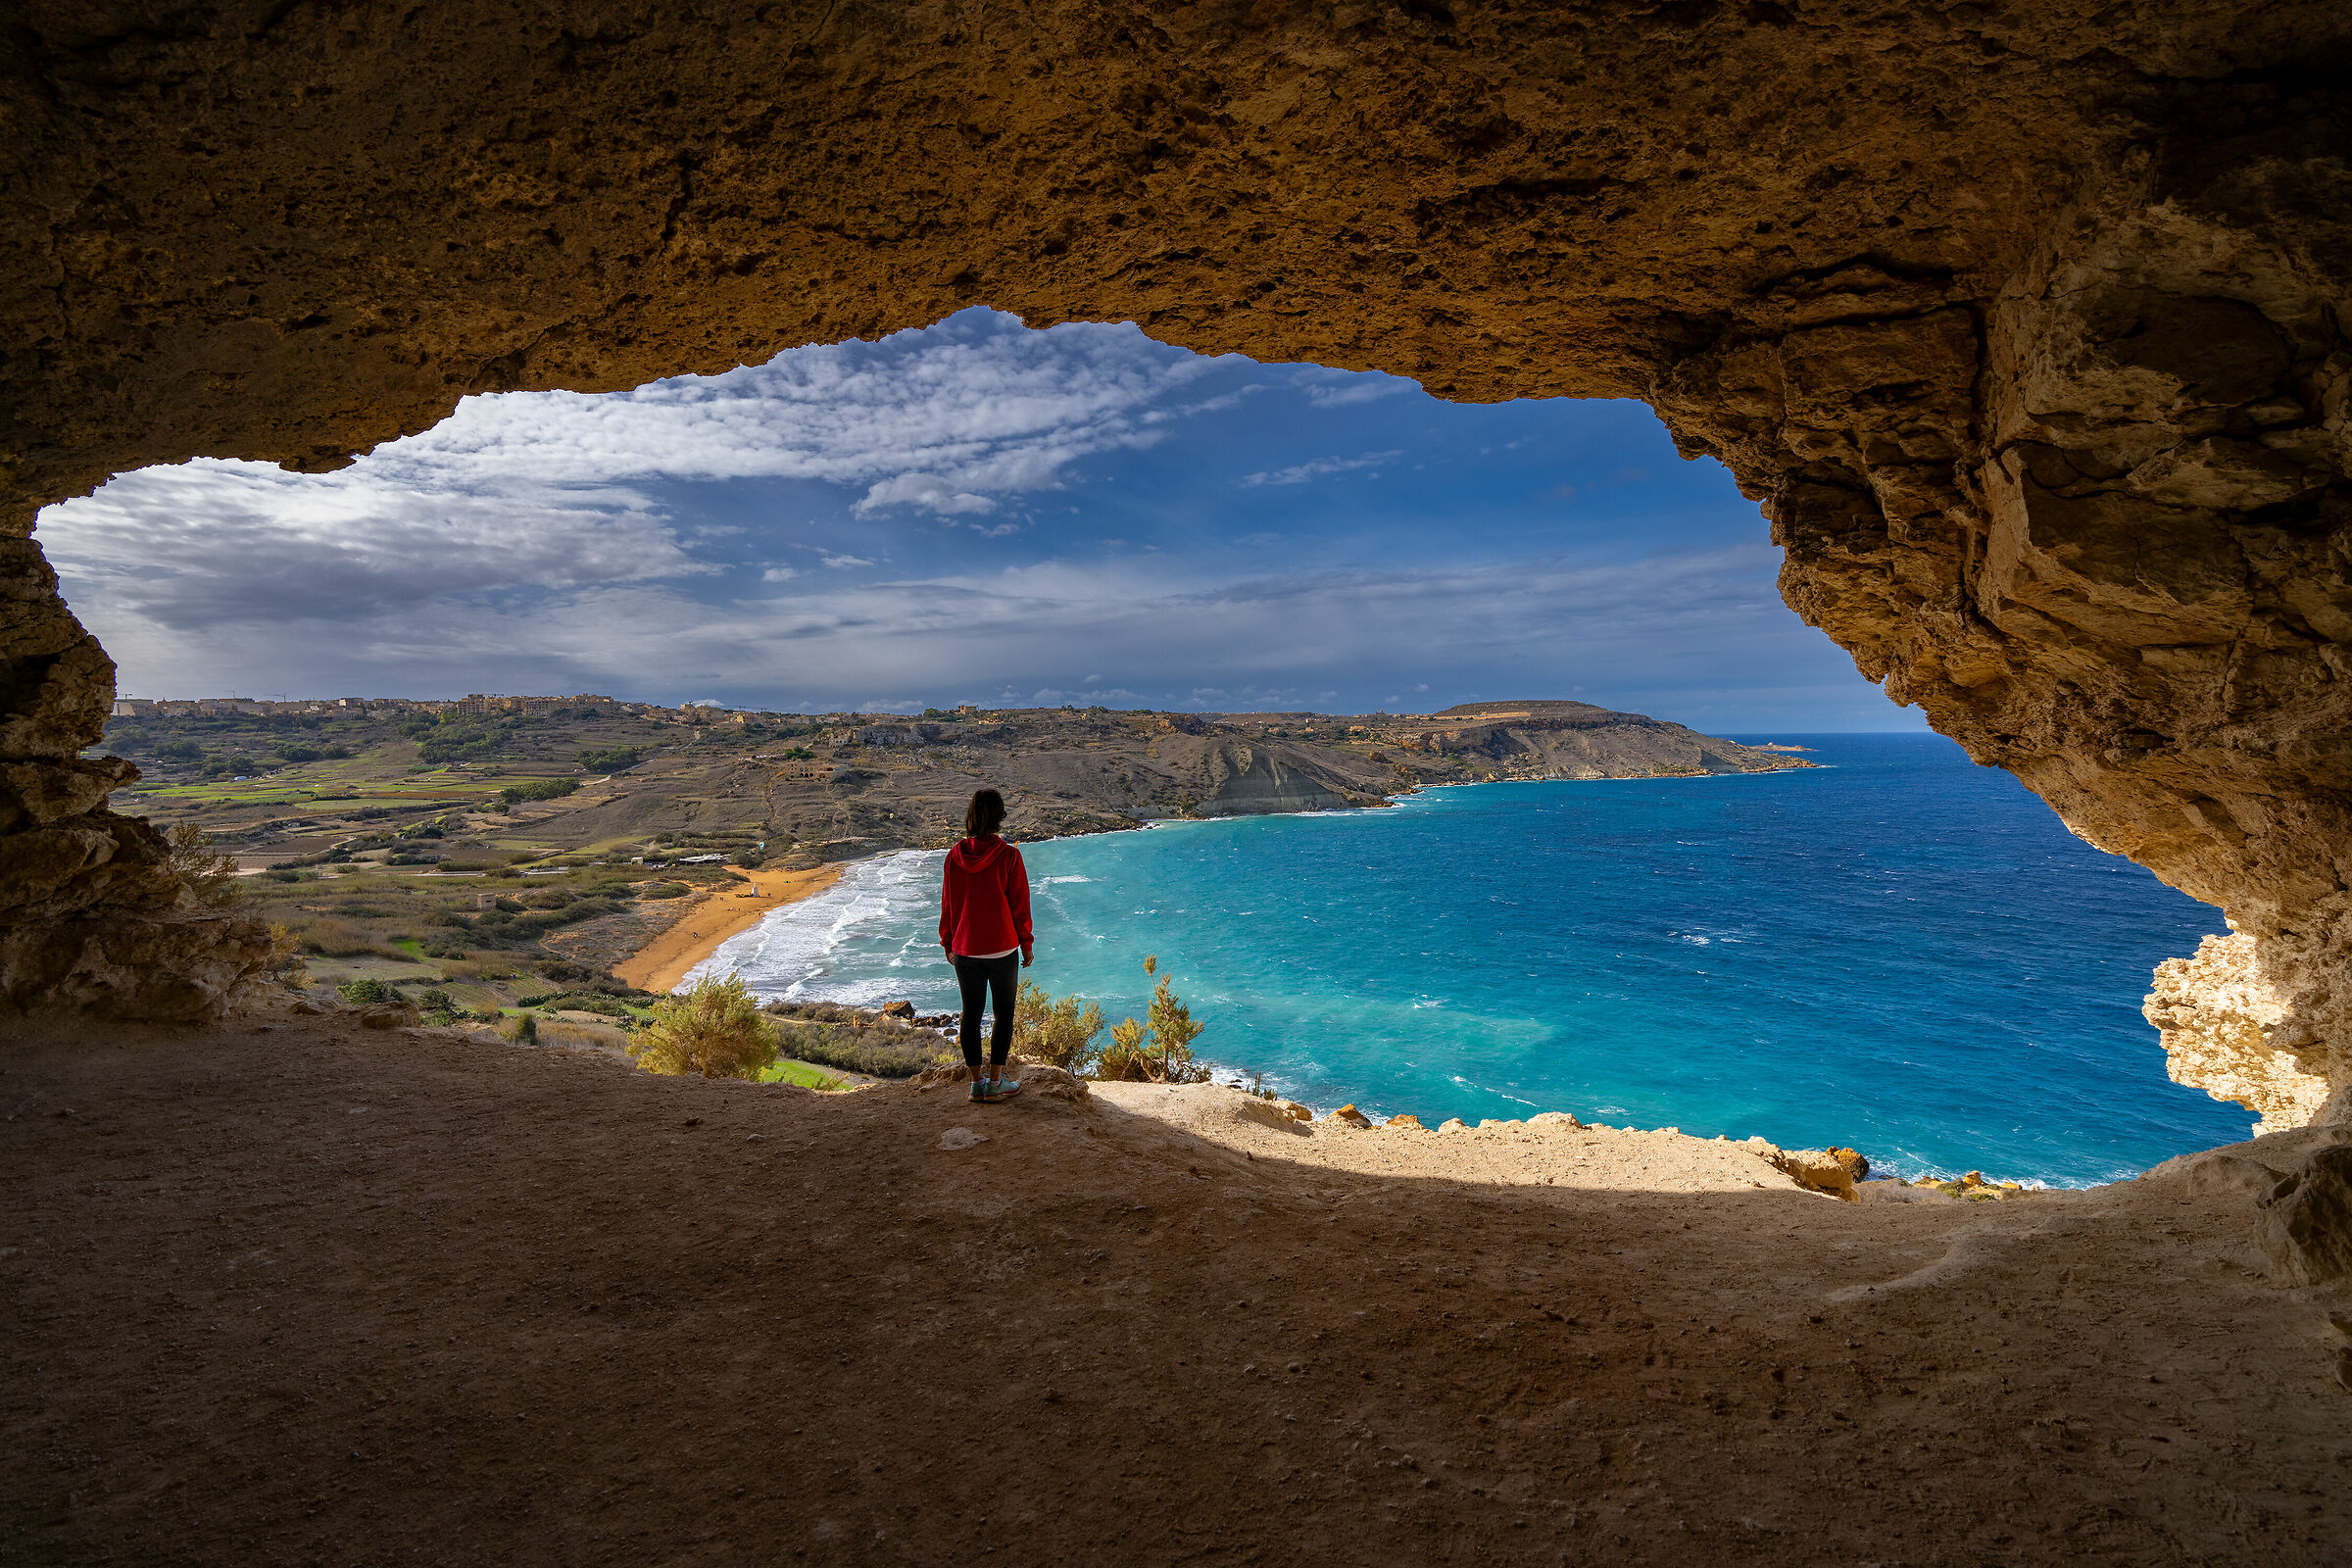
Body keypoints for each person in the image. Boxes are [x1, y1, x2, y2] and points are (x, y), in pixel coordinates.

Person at [938, 787, 1032, 1103]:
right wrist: (1027, 944)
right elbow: (1020, 906)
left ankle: (976, 1084)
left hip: (965, 949)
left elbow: (948, 904)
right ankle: (995, 1082)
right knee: (1003, 1014)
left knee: (971, 1014)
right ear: (999, 817)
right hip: (1003, 948)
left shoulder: (954, 857)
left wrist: (947, 941)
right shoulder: (1009, 856)